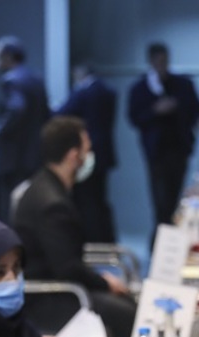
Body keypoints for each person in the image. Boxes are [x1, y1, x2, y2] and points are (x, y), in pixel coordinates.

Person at [12, 116, 137, 337]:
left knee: (126, 303)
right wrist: (104, 282)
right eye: (87, 150)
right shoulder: (52, 203)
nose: (89, 155)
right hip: (51, 296)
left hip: (61, 286)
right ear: (73, 156)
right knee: (126, 313)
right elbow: (66, 267)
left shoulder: (47, 186)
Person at [128, 42, 199, 237]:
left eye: (165, 60)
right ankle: (160, 246)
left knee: (173, 199)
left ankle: (168, 244)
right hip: (156, 152)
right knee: (160, 202)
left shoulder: (183, 85)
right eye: (158, 61)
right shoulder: (141, 88)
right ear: (151, 61)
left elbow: (198, 109)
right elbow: (134, 117)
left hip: (179, 149)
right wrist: (155, 111)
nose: (162, 65)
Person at [0, 36, 49, 221]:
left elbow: (16, 108)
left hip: (13, 158)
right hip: (35, 156)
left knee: (11, 211)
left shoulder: (11, 80)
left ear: (7, 56)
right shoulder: (36, 78)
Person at [56, 63, 118, 244]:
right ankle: (106, 240)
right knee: (100, 200)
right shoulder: (108, 91)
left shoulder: (82, 92)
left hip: (86, 154)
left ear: (79, 73)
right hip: (104, 153)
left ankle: (92, 241)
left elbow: (62, 114)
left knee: (87, 202)